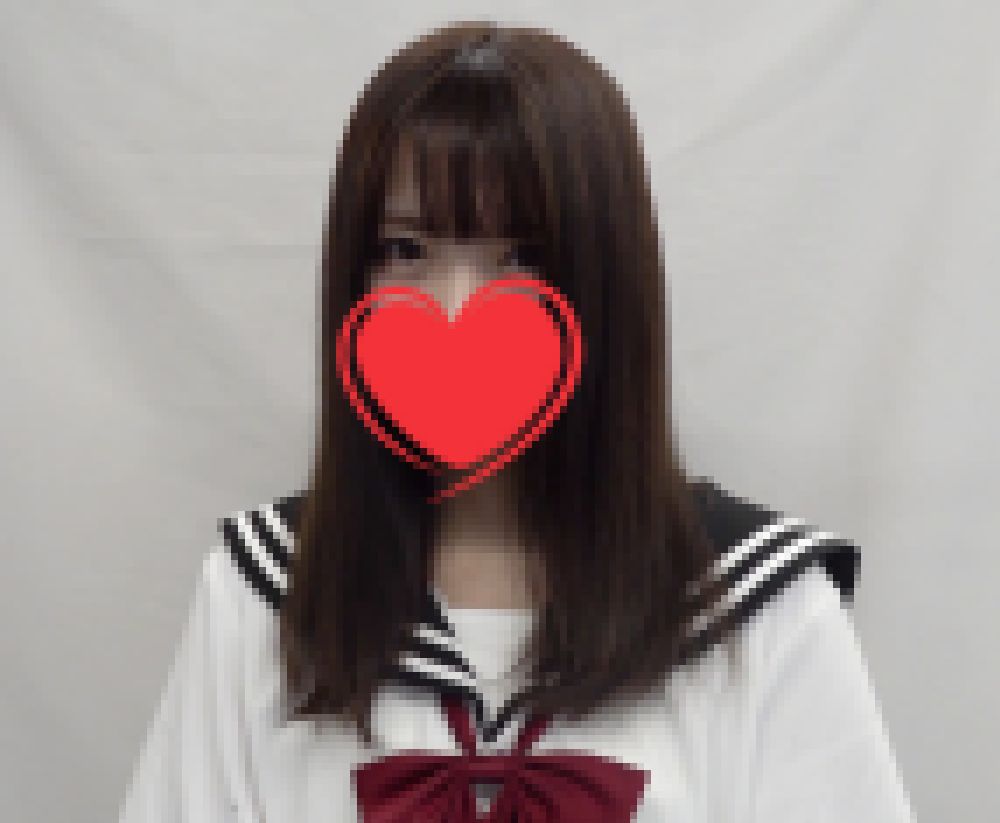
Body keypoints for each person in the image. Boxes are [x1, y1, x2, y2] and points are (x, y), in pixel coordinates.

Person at [118, 21, 916, 822]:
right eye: (404, 249)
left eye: (525, 257)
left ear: (610, 283)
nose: (456, 307)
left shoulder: (762, 613)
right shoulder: (263, 598)